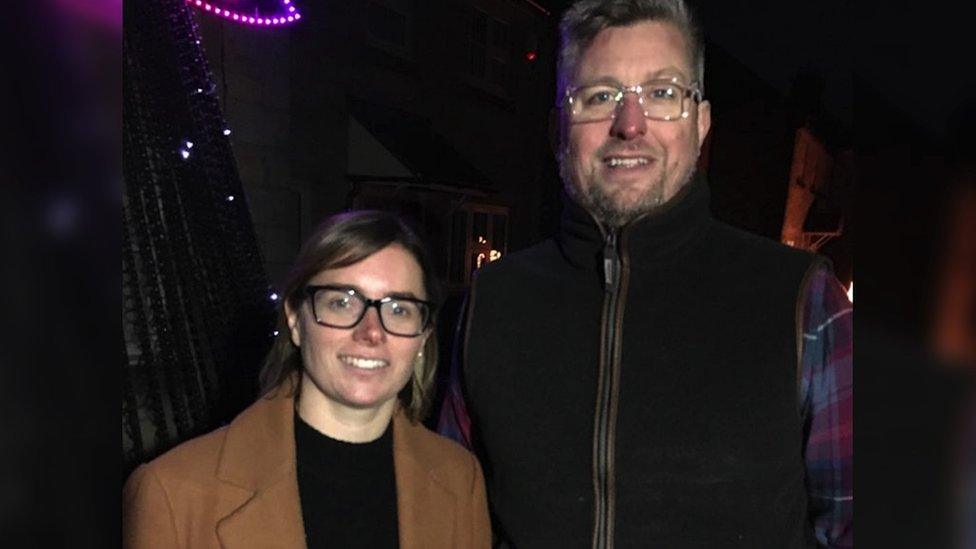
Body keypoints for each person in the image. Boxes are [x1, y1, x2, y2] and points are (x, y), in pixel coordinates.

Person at [437, 0, 852, 547]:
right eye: (601, 96)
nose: (629, 124)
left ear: (700, 124)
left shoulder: (804, 301)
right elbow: (451, 513)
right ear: (560, 127)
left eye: (662, 94)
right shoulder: (490, 303)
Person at [124, 210, 490, 548]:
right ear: (296, 321)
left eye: (399, 310)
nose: (371, 332)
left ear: (423, 336)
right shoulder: (173, 491)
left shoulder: (460, 480)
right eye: (342, 303)